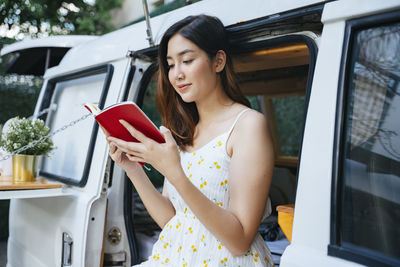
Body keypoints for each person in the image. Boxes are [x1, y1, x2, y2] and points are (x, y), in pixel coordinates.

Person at [106, 14, 274, 266]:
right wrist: (132, 169)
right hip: (179, 256)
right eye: (171, 64)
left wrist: (175, 173)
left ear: (218, 61)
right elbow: (173, 221)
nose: (177, 74)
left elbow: (239, 240)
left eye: (187, 60)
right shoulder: (183, 130)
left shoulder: (247, 125)